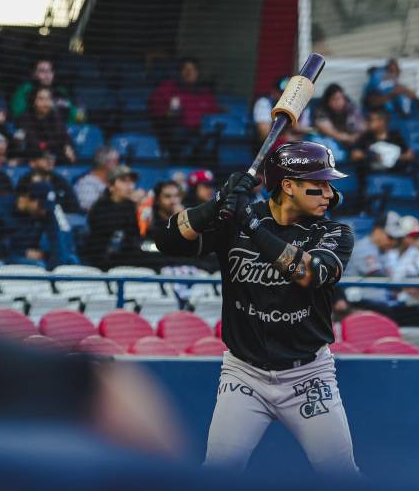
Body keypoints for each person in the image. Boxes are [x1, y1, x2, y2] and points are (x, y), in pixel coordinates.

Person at [154, 141, 359, 476]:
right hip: (244, 374)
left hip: (307, 375)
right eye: (319, 184)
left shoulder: (333, 231)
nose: (329, 193)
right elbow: (166, 241)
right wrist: (218, 202)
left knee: (340, 473)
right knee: (219, 471)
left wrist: (252, 226)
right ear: (288, 186)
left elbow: (310, 274)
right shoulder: (236, 221)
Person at [0, 181, 77, 267]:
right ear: (28, 198)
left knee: (71, 259)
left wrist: (54, 263)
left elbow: (57, 242)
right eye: (41, 206)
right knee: (38, 265)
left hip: (34, 255)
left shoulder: (45, 212)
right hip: (5, 257)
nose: (44, 211)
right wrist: (22, 252)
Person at [83, 165, 157, 270]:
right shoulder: (100, 207)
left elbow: (142, 234)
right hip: (105, 259)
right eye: (124, 181)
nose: (130, 186)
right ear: (111, 186)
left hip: (131, 255)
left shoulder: (132, 205)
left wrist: (144, 213)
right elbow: (111, 232)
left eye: (132, 182)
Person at [148, 57, 219, 139]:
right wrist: (169, 113)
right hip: (177, 131)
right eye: (185, 69)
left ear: (197, 73)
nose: (189, 73)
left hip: (202, 133)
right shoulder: (168, 88)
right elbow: (158, 109)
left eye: (193, 70)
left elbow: (214, 114)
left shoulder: (205, 93)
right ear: (180, 72)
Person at [15, 85, 76, 163]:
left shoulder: (55, 116)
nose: (45, 103)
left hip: (53, 156)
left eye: (48, 99)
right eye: (41, 99)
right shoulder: (25, 118)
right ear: (33, 101)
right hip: (32, 158)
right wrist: (55, 145)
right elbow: (33, 143)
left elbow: (64, 136)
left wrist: (67, 146)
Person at [10, 58, 76, 123]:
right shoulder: (25, 89)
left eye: (50, 70)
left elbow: (73, 114)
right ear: (33, 74)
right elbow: (17, 114)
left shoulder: (61, 91)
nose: (47, 75)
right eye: (42, 71)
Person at [350, 107, 416, 172]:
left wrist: (389, 157)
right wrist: (372, 156)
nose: (367, 122)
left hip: (395, 174)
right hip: (372, 174)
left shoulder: (396, 137)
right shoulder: (365, 137)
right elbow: (355, 155)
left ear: (381, 122)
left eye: (370, 119)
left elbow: (409, 155)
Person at [16, 149, 80, 214]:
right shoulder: (25, 181)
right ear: (32, 163)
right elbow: (18, 207)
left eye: (52, 158)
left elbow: (74, 206)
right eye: (44, 158)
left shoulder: (60, 180)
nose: (50, 161)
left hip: (59, 217)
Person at [252, 76, 312, 143]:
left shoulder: (302, 106)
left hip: (295, 144)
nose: (287, 97)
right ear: (274, 92)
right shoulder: (264, 103)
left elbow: (304, 131)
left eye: (290, 93)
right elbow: (264, 134)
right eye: (283, 93)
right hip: (268, 146)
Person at [312, 83, 365, 157]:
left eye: (340, 98)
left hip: (354, 141)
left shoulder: (351, 107)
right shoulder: (322, 110)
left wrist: (354, 137)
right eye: (334, 99)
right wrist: (346, 138)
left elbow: (361, 127)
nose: (338, 102)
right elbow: (327, 129)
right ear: (327, 101)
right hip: (333, 141)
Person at [74, 146, 120, 211]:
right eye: (116, 162)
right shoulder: (85, 183)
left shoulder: (115, 181)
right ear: (103, 163)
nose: (118, 165)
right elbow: (88, 207)